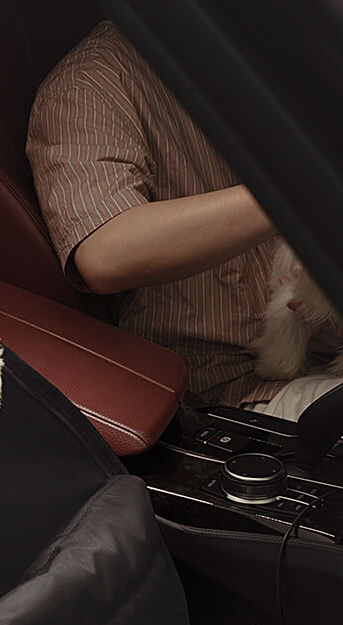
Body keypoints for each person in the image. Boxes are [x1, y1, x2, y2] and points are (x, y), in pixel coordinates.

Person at [25, 20, 343, 421]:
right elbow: (106, 253)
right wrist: (295, 189)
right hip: (230, 393)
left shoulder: (280, 56)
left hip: (318, 349)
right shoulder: (91, 84)